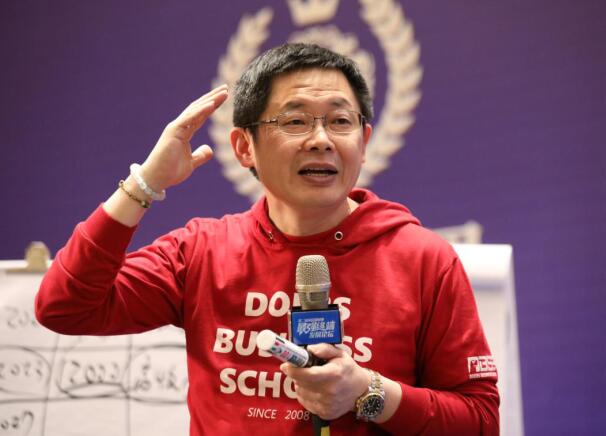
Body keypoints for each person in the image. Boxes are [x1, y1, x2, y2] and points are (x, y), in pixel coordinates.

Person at [36, 43, 499, 435]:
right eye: (295, 122)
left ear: (364, 140)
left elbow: (480, 421)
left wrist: (369, 392)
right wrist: (145, 183)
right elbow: (64, 307)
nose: (321, 140)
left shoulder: (422, 259)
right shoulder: (202, 252)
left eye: (340, 121)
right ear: (244, 147)